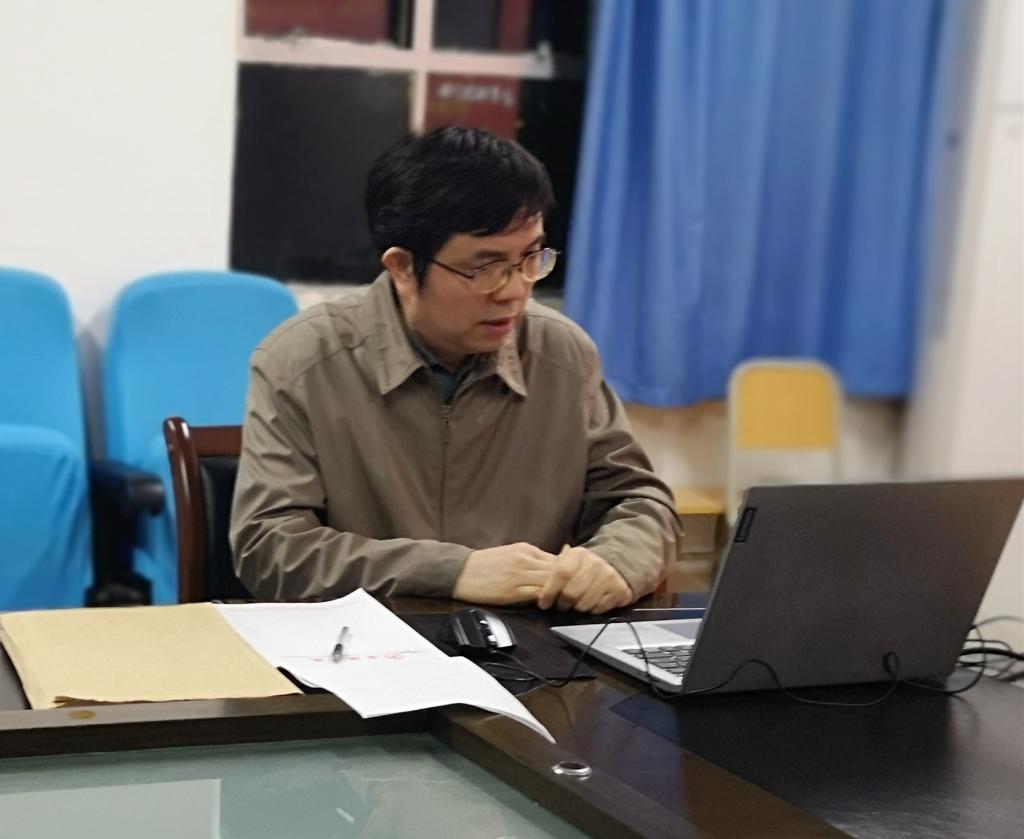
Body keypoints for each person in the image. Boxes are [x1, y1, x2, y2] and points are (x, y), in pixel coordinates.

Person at [230, 126, 681, 614]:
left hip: (528, 644)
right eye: (486, 268)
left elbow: (638, 500)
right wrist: (452, 571)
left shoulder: (562, 355)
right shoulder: (303, 361)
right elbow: (270, 549)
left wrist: (616, 561)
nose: (515, 290)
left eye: (531, 258)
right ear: (403, 267)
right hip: (363, 644)